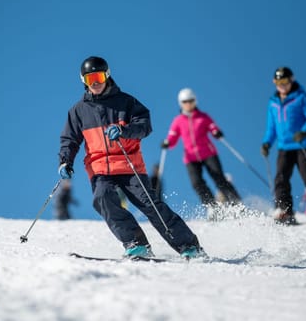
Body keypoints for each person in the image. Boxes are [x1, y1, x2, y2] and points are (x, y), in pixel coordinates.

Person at [58, 56, 204, 259]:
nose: (96, 83)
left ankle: (189, 246)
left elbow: (145, 125)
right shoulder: (78, 111)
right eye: (91, 79)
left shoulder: (126, 102)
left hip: (129, 164)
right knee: (102, 199)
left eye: (99, 77)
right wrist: (65, 161)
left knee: (150, 204)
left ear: (107, 76)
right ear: (84, 81)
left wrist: (124, 130)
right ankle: (136, 243)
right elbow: (69, 139)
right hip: (99, 168)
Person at [261, 67, 306, 224]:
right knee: (281, 178)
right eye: (278, 82)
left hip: (302, 145)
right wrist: (267, 143)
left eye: (285, 81)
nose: (282, 85)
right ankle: (284, 211)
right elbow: (271, 127)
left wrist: (305, 131)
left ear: (291, 80)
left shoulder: (301, 97)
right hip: (283, 147)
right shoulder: (273, 103)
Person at [161, 88, 241, 216]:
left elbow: (212, 127)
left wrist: (216, 132)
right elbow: (173, 136)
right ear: (180, 103)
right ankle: (212, 207)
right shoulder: (178, 121)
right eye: (185, 102)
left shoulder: (203, 117)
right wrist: (167, 142)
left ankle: (236, 203)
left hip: (208, 153)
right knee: (196, 183)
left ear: (195, 101)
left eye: (190, 101)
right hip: (190, 157)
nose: (188, 104)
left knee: (219, 178)